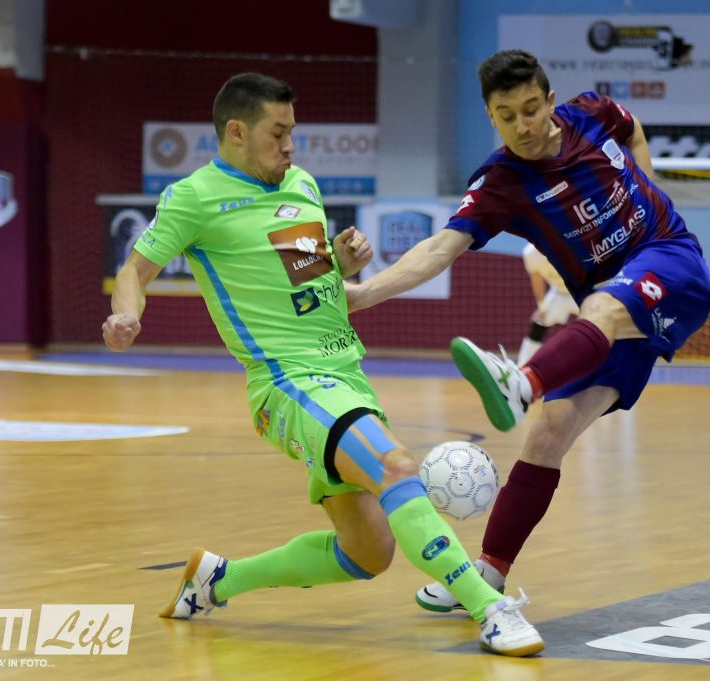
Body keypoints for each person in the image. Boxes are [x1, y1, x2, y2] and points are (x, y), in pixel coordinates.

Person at [101, 72, 544, 657]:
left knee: (367, 553)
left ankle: (217, 581)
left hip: (347, 374)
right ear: (237, 132)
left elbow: (307, 278)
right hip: (288, 382)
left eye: (293, 132)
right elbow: (134, 271)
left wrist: (339, 261)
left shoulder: (301, 184)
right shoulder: (195, 197)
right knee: (395, 466)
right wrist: (125, 315)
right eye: (277, 133)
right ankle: (490, 607)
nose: (290, 146)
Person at [346, 50, 710, 612]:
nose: (522, 125)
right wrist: (366, 293)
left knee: (601, 309)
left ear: (550, 100)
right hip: (610, 313)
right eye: (507, 115)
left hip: (670, 260)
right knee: (548, 433)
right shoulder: (502, 181)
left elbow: (633, 129)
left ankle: (522, 382)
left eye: (531, 109)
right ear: (490, 116)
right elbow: (441, 248)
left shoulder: (593, 114)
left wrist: (651, 189)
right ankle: (488, 575)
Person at [517, 242, 578, 365]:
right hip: (558, 293)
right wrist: (542, 307)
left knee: (600, 321)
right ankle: (522, 367)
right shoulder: (530, 254)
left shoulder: (564, 242)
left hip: (580, 290)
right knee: (539, 322)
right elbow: (537, 281)